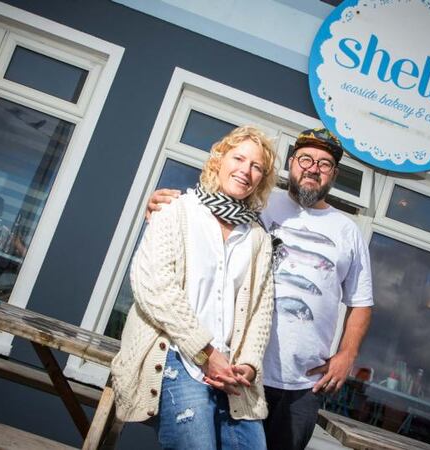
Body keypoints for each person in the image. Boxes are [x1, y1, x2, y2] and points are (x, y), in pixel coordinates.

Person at [147, 127, 374, 450]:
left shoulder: (348, 230)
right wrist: (161, 204)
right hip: (238, 368)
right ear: (291, 163)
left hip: (303, 382)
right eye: (305, 159)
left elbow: (361, 301)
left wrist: (347, 354)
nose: (313, 168)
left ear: (334, 175)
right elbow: (206, 212)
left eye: (324, 164)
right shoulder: (258, 203)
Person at [112, 126, 278, 450]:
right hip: (175, 356)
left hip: (230, 372)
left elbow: (261, 311)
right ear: (219, 159)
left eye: (256, 166)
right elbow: (154, 288)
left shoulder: (258, 237)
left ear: (262, 179)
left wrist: (248, 364)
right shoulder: (177, 210)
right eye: (238, 158)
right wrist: (206, 354)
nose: (245, 170)